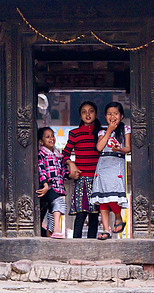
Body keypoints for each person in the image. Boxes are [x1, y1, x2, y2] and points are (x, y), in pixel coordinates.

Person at [90, 102, 131, 240]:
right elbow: (99, 148)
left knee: (112, 196)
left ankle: (118, 217)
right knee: (102, 199)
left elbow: (128, 148)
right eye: (109, 114)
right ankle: (106, 229)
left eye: (115, 113)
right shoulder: (102, 131)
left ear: (121, 116)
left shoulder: (125, 129)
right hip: (103, 165)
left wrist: (119, 149)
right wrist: (109, 131)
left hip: (116, 164)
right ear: (105, 116)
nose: (112, 116)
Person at [62, 101, 102, 239]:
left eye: (91, 111)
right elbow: (64, 154)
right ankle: (76, 245)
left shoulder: (101, 133)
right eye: (84, 112)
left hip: (97, 179)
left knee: (94, 215)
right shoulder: (74, 133)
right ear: (80, 115)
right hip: (82, 179)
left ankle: (92, 246)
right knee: (81, 213)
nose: (87, 114)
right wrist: (71, 164)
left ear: (96, 114)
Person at [37, 127, 68, 239]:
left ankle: (50, 232)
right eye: (47, 137)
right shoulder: (41, 153)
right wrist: (45, 184)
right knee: (59, 203)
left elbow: (62, 170)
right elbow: (41, 169)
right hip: (48, 186)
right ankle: (57, 229)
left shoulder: (57, 154)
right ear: (41, 141)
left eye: (52, 136)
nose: (51, 139)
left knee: (53, 208)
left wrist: (70, 174)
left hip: (58, 186)